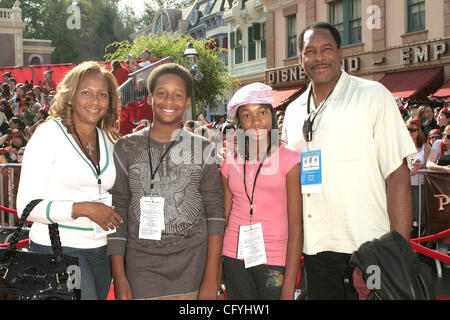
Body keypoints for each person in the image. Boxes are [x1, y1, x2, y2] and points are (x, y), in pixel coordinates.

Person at [282, 22, 416, 300]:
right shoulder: (294, 111)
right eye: (310, 51)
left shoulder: (373, 95)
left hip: (370, 248)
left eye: (326, 49)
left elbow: (397, 175)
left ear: (340, 53)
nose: (318, 57)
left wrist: (397, 253)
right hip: (316, 249)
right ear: (300, 59)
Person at [107, 63, 225, 300]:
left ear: (188, 102)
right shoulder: (126, 147)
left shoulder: (203, 148)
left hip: (193, 270)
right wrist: (119, 276)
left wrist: (212, 277)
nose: (169, 101)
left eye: (178, 95)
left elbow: (215, 214)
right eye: (161, 93)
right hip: (141, 272)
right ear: (149, 98)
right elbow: (118, 210)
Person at [16, 61, 123, 300]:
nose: (95, 101)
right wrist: (83, 209)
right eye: (86, 92)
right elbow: (25, 208)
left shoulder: (108, 139)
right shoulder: (48, 135)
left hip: (101, 250)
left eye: (102, 94)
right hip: (59, 248)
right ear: (70, 95)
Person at [220, 82, 302, 300]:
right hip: (232, 254)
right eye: (247, 115)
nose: (256, 121)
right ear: (239, 123)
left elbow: (297, 225)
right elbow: (224, 215)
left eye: (262, 112)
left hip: (275, 257)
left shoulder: (289, 158)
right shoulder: (230, 160)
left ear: (272, 116)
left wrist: (289, 286)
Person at [406, 119, 431, 238]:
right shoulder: (402, 147)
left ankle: (419, 242)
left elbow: (432, 162)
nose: (410, 132)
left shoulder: (425, 147)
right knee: (406, 215)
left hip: (419, 186)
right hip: (404, 186)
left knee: (419, 215)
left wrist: (422, 165)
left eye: (413, 130)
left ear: (419, 132)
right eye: (407, 129)